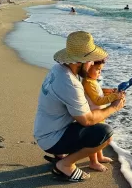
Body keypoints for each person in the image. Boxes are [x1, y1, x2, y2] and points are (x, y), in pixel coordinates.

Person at [33, 31, 126, 182]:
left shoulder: (58, 69)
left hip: (45, 130)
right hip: (52, 138)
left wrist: (104, 91)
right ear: (78, 62)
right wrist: (114, 107)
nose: (91, 65)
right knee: (104, 134)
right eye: (90, 61)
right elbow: (87, 120)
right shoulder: (70, 83)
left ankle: (60, 155)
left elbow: (77, 95)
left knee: (91, 126)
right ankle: (65, 164)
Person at [82, 60, 124, 172]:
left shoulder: (92, 81)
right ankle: (93, 162)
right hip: (93, 117)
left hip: (99, 115)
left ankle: (99, 157)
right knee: (94, 140)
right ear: (88, 68)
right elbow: (98, 100)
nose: (99, 72)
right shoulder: (88, 83)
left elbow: (98, 92)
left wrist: (110, 92)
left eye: (101, 69)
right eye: (97, 69)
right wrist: (114, 97)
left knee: (99, 138)